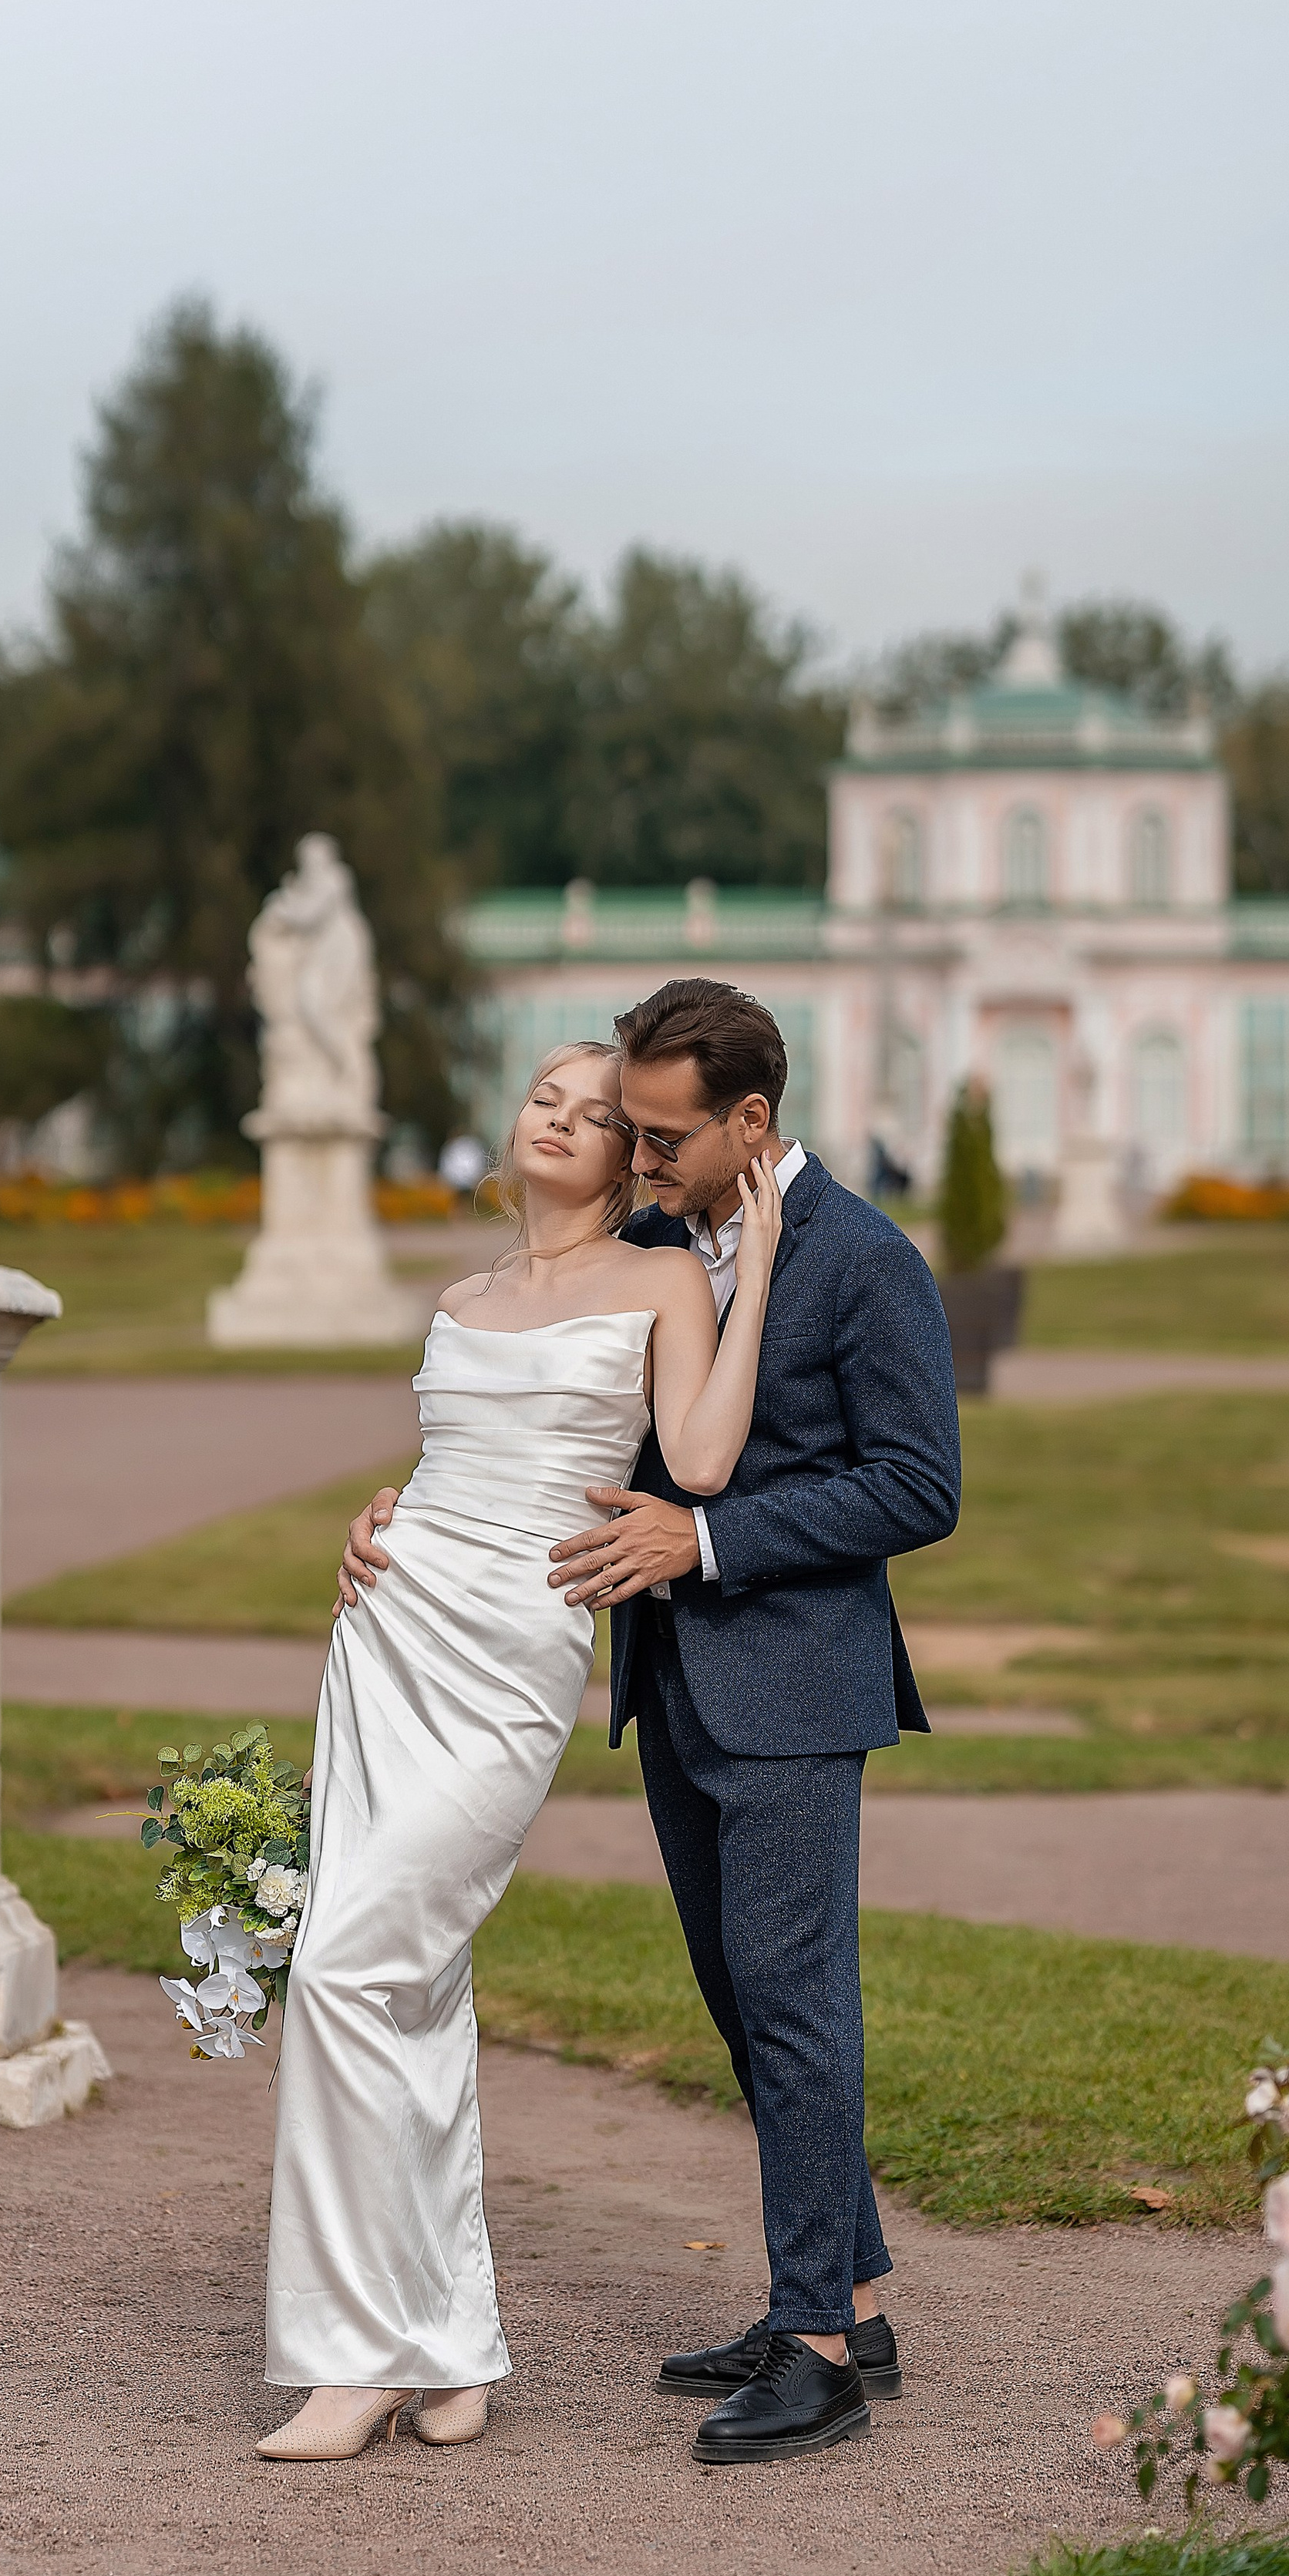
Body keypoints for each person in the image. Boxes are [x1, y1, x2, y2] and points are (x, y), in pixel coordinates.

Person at [339, 979, 961, 2465]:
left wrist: (712, 1540)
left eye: (667, 1133)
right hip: (670, 1678)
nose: (641, 1153)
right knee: (742, 1996)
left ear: (753, 1120)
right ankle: (844, 2291)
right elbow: (545, 1412)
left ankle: (816, 2352)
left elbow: (918, 1487)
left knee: (795, 1998)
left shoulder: (867, 1262)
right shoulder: (663, 1246)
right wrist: (403, 1510)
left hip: (798, 1681)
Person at [259, 1039, 784, 2462]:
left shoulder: (667, 1277)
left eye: (600, 1114)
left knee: (347, 1965)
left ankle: (359, 2352)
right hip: (390, 1631)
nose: (564, 1120)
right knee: (403, 1984)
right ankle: (440, 2353)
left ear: (634, 1157)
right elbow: (445, 1460)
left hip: (514, 1654)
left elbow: (711, 1459)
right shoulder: (461, 1297)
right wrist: (378, 1510)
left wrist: (766, 1259)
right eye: (547, 1099)